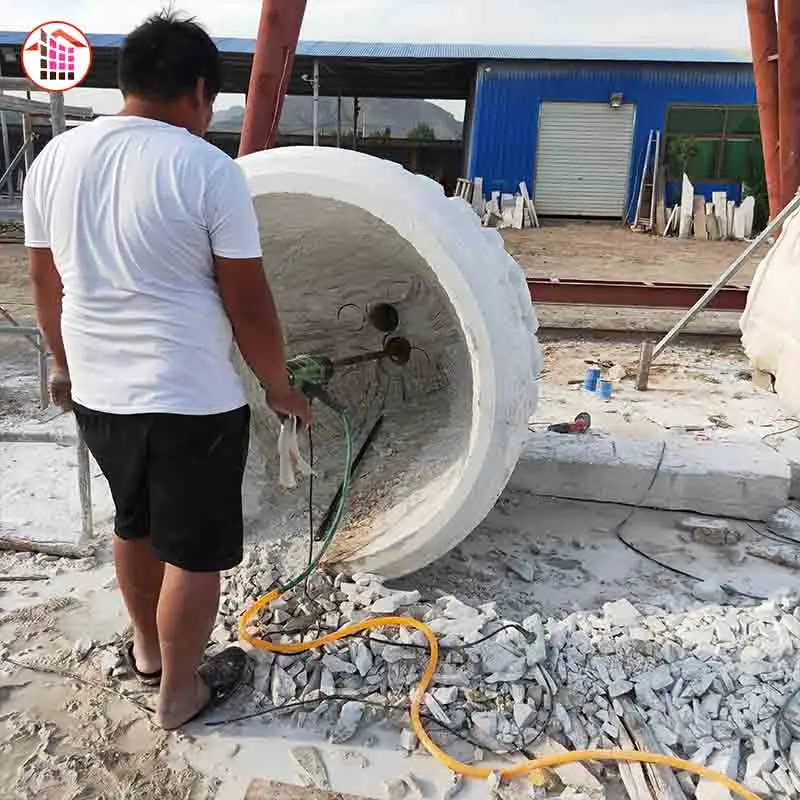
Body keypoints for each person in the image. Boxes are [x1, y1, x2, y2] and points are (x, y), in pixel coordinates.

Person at [23, 11, 311, 730]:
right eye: (212, 99)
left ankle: (148, 651)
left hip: (99, 392)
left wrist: (63, 364)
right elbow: (248, 305)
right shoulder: (205, 167)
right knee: (194, 552)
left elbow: (43, 283)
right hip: (190, 400)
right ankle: (181, 691)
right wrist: (281, 390)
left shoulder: (54, 160)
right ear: (198, 90)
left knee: (135, 525)